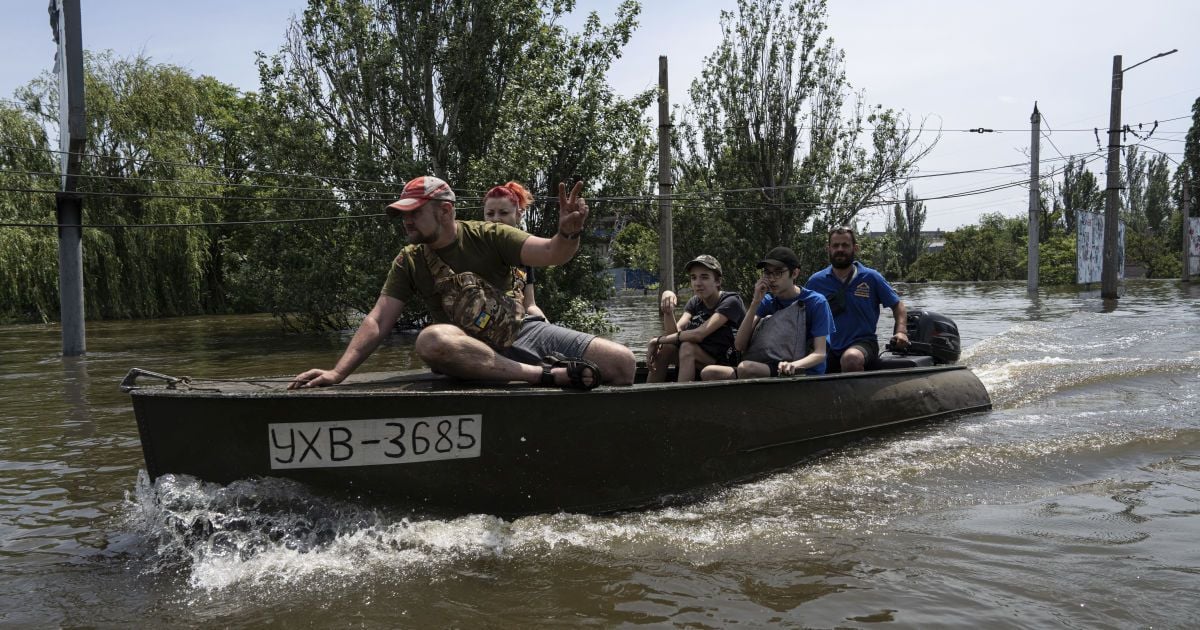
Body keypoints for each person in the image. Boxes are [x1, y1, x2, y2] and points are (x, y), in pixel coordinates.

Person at [290, 176, 635, 391]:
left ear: (445, 211)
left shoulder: (490, 235)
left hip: (520, 331)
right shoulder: (409, 260)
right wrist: (338, 373)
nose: (407, 221)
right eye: (403, 214)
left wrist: (568, 232)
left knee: (622, 364)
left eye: (415, 212)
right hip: (466, 350)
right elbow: (379, 320)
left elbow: (551, 252)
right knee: (432, 340)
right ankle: (544, 376)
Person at [702, 247, 832, 380]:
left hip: (801, 372)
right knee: (709, 372)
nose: (772, 279)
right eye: (768, 273)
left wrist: (793, 365)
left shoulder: (816, 302)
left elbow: (820, 353)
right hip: (765, 367)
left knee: (746, 368)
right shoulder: (767, 301)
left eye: (778, 273)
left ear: (794, 273)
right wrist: (755, 302)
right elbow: (739, 345)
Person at [805, 226, 908, 373]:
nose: (840, 249)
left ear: (855, 248)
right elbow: (801, 315)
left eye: (845, 245)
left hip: (863, 344)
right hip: (826, 346)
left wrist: (901, 332)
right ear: (828, 249)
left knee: (851, 359)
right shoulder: (816, 282)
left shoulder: (871, 277)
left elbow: (898, 305)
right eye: (835, 245)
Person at [646, 255, 746, 383]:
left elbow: (698, 334)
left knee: (687, 347)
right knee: (666, 348)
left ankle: (683, 395)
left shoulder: (731, 301)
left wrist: (657, 340)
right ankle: (649, 392)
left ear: (718, 281)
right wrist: (668, 309)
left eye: (704, 277)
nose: (698, 283)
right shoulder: (695, 302)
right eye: (694, 277)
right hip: (700, 358)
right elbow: (674, 335)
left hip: (726, 365)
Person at [483, 181, 544, 319]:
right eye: (490, 214)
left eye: (503, 213)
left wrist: (545, 322)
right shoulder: (475, 247)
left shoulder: (524, 253)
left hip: (516, 323)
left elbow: (530, 305)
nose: (496, 219)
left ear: (518, 215)